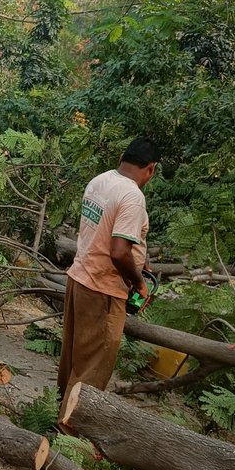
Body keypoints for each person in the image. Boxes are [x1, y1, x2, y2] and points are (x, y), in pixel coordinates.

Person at [57, 137, 160, 420]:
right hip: (103, 288)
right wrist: (139, 283)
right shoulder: (132, 196)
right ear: (151, 168)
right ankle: (70, 429)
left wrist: (140, 257)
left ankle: (57, 411)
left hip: (79, 278)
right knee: (94, 366)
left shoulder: (100, 181)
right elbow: (118, 251)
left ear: (121, 159)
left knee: (74, 358)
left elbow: (107, 231)